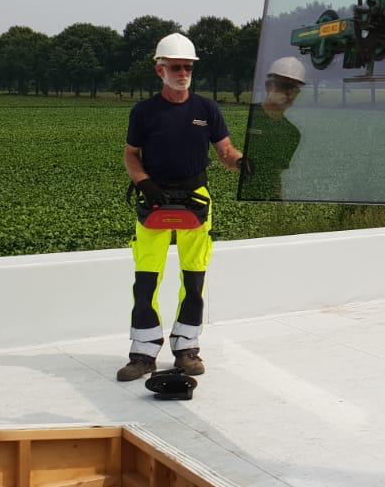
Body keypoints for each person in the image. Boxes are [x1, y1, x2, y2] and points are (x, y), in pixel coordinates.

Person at [117, 32, 244, 382]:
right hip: (153, 199)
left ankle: (186, 348)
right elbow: (131, 154)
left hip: (196, 199)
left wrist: (240, 162)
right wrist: (144, 183)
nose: (183, 72)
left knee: (194, 279)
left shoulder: (207, 109)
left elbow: (225, 152)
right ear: (160, 70)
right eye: (176, 66)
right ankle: (143, 354)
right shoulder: (144, 112)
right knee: (146, 281)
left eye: (188, 67)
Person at [237, 57, 306, 202]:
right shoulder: (248, 115)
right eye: (283, 86)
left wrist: (276, 203)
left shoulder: (292, 134)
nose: (289, 94)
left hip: (265, 201)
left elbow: (276, 174)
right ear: (269, 86)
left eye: (295, 89)